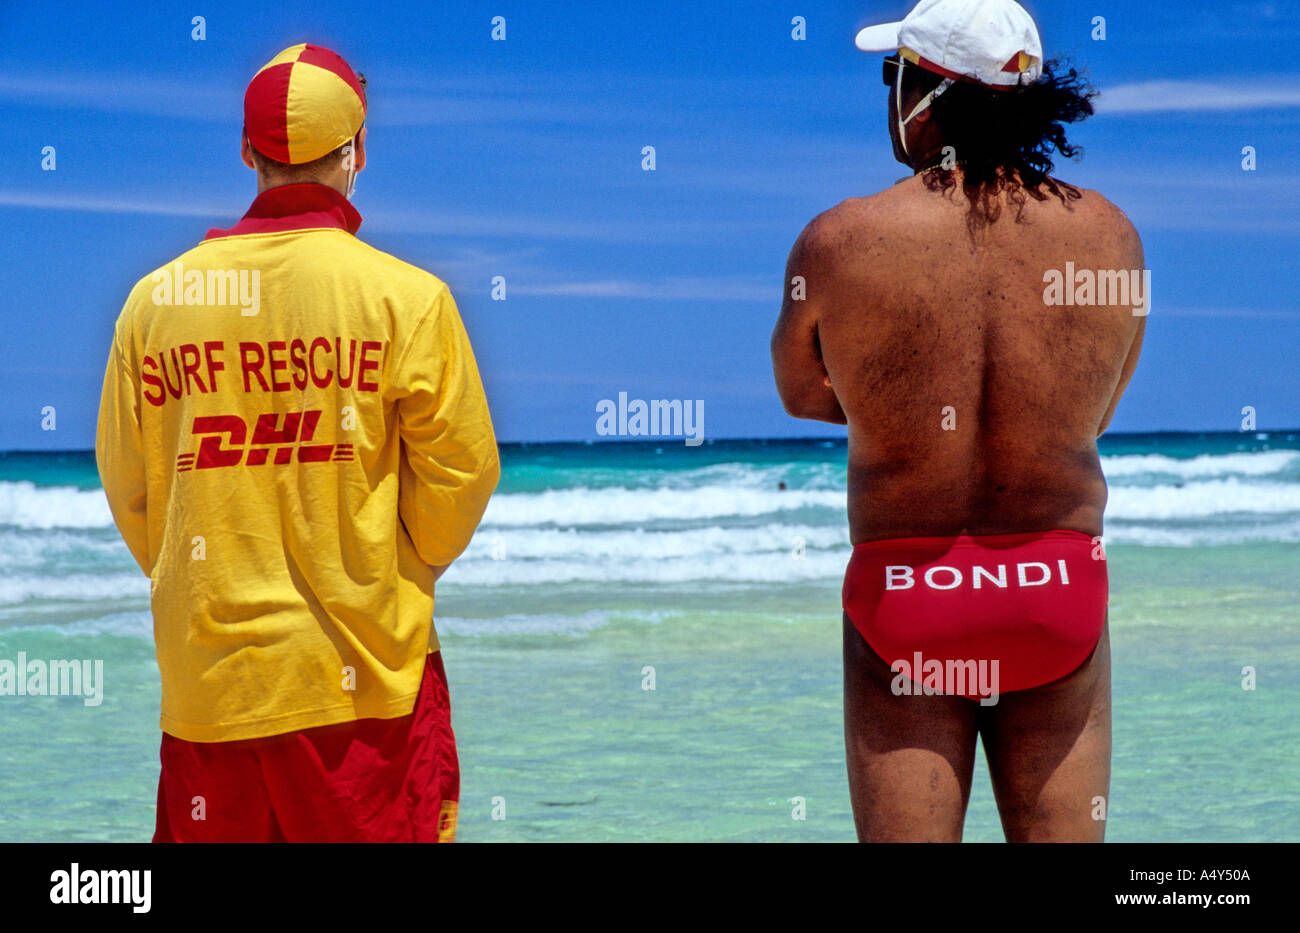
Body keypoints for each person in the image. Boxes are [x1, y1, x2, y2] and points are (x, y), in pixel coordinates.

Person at [96, 43, 500, 842]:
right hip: (365, 690)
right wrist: (393, 561)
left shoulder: (155, 303)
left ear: (248, 152)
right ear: (356, 154)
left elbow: (131, 485)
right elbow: (463, 474)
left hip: (212, 689)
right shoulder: (408, 299)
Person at [770, 0, 1146, 842]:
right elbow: (1100, 405)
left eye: (892, 74)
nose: (887, 94)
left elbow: (800, 393)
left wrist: (895, 408)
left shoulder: (838, 239)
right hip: (1054, 588)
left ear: (931, 93)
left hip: (910, 591)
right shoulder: (1114, 237)